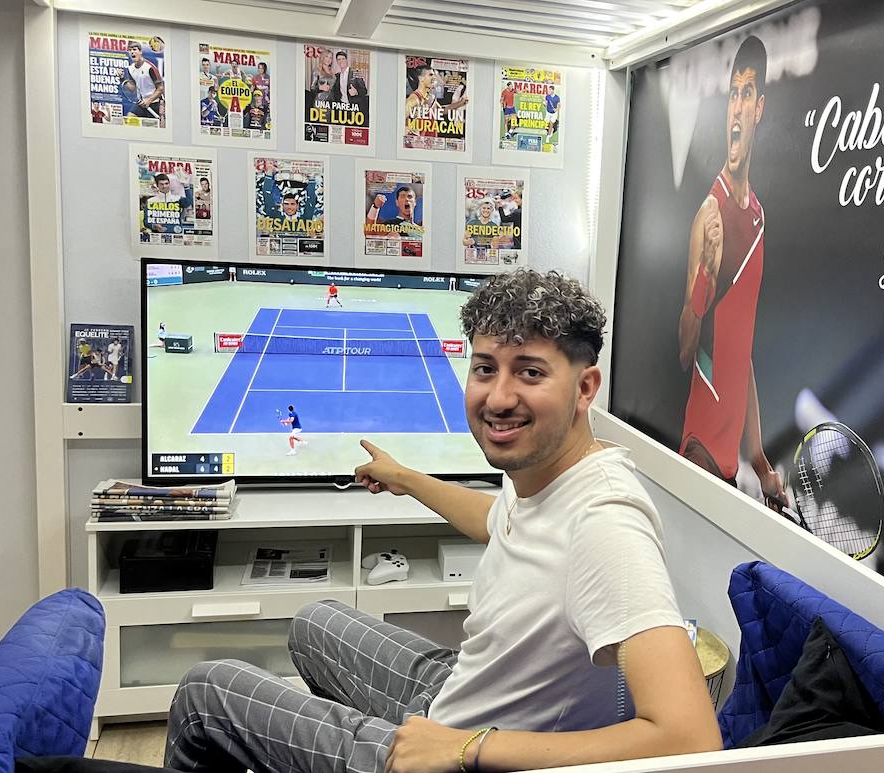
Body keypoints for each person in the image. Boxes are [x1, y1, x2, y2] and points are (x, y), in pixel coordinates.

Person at [163, 269, 721, 773]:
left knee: (203, 692)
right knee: (315, 622)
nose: (499, 397)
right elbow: (500, 519)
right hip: (463, 689)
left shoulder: (604, 523)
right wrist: (405, 479)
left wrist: (460, 748)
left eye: (529, 372)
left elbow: (690, 739)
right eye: (485, 368)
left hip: (469, 750)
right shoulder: (544, 471)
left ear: (584, 388)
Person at [676, 36, 786, 510]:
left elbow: (741, 355)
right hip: (700, 452)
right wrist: (706, 272)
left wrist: (759, 462)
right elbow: (685, 351)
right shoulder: (709, 213)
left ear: (759, 108)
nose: (737, 108)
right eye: (732, 95)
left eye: (747, 94)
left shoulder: (759, 217)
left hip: (730, 466)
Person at [121, 40, 164, 121]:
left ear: (140, 52)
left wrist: (149, 100)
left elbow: (160, 88)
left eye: (134, 49)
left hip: (156, 103)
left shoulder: (150, 68)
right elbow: (133, 88)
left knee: (153, 128)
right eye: (130, 50)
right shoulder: (131, 69)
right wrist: (122, 78)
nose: (132, 52)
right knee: (129, 119)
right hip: (142, 103)